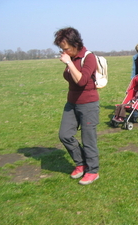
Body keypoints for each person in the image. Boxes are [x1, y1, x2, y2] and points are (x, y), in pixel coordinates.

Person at [54, 27, 100, 185]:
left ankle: (93, 170)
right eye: (62, 49)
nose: (64, 52)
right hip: (72, 103)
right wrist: (69, 62)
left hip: (89, 104)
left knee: (88, 139)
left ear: (75, 43)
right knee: (64, 135)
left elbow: (81, 81)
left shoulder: (89, 57)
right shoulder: (71, 58)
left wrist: (68, 63)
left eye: (66, 48)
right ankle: (81, 163)